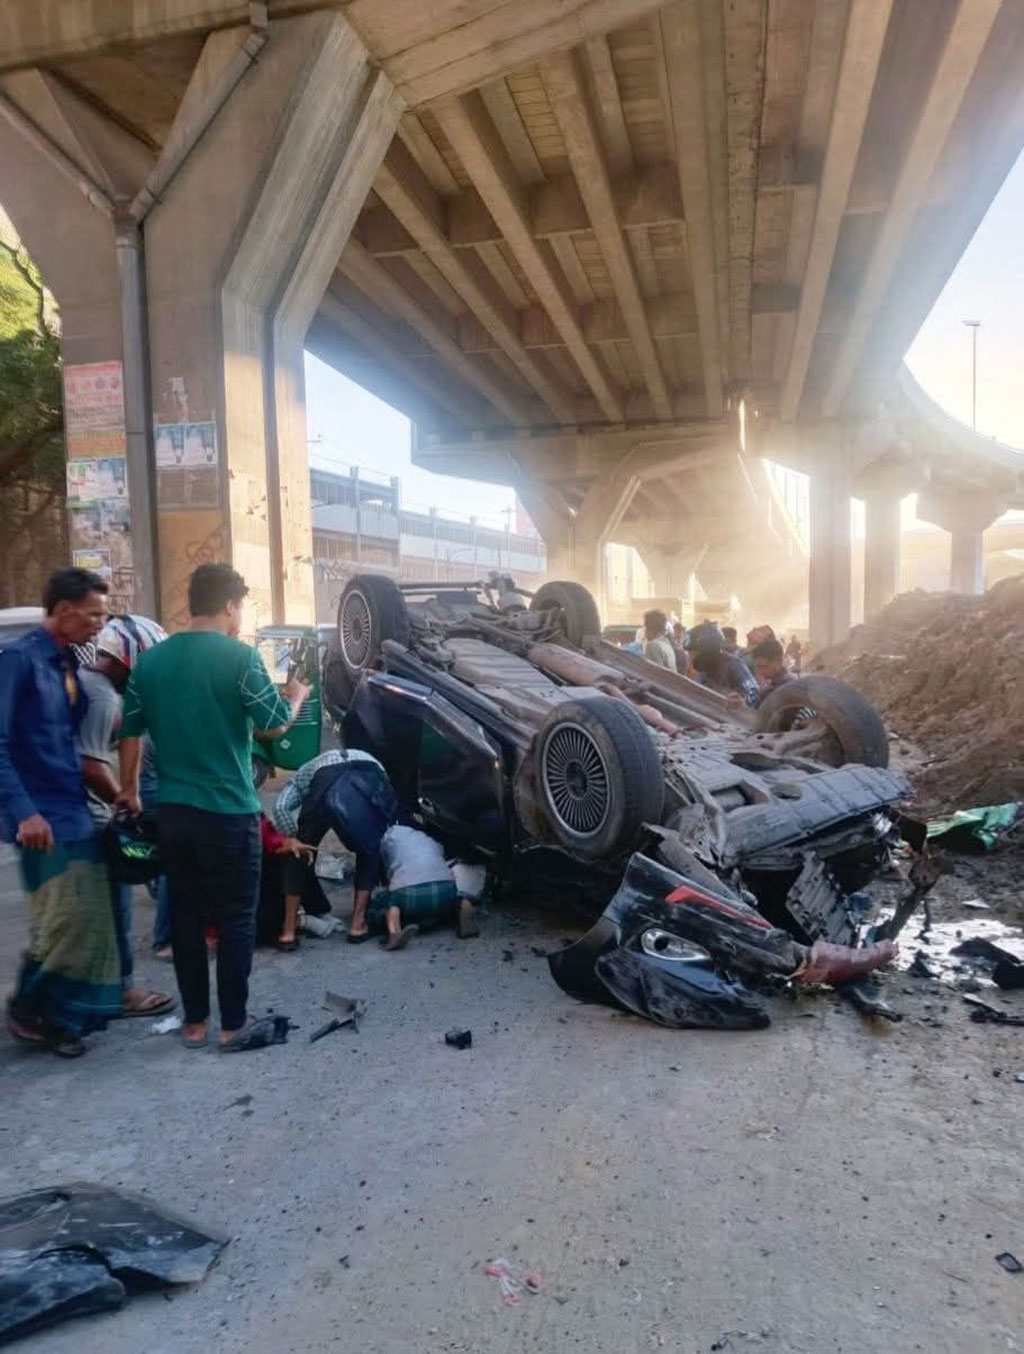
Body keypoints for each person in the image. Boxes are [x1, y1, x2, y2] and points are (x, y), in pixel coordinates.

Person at [117, 563, 309, 1051]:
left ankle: (196, 1022)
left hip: (175, 814)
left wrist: (130, 790)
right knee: (235, 919)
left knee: (185, 915)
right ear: (229, 606)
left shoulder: (151, 663)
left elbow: (129, 732)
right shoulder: (241, 659)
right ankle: (233, 1023)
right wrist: (296, 697)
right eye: (240, 608)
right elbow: (271, 727)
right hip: (229, 811)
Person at [0, 568, 121, 1057]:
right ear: (65, 609)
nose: (99, 624)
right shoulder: (19, 661)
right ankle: (40, 1013)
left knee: (86, 918)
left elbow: (66, 743)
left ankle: (60, 1015)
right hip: (40, 821)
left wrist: (113, 794)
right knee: (65, 921)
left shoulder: (66, 664)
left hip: (72, 811)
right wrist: (24, 813)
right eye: (93, 614)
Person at [78, 615, 173, 1017]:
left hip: (76, 816)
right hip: (87, 819)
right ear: (129, 658)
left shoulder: (86, 683)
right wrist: (124, 799)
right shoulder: (102, 697)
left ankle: (102, 991)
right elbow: (91, 765)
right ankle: (119, 992)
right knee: (114, 909)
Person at [270, 747, 401, 945]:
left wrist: (291, 837)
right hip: (369, 776)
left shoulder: (304, 773)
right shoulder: (376, 765)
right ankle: (358, 924)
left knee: (301, 850)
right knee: (370, 848)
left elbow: (280, 806)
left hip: (323, 783)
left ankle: (288, 931)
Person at [367, 824, 480, 949]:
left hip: (409, 893)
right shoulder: (427, 838)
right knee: (456, 896)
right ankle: (464, 906)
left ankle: (394, 932)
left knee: (390, 903)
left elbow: (386, 874)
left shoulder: (386, 841)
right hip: (446, 889)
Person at [690, 623, 760, 707]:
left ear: (708, 651)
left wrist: (743, 702)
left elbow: (754, 691)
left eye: (694, 653)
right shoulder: (702, 671)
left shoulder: (734, 664)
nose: (691, 657)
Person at [750, 636, 796, 701]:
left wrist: (762, 693)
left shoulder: (786, 685)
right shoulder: (771, 682)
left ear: (778, 662)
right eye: (757, 667)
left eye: (763, 667)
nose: (759, 672)